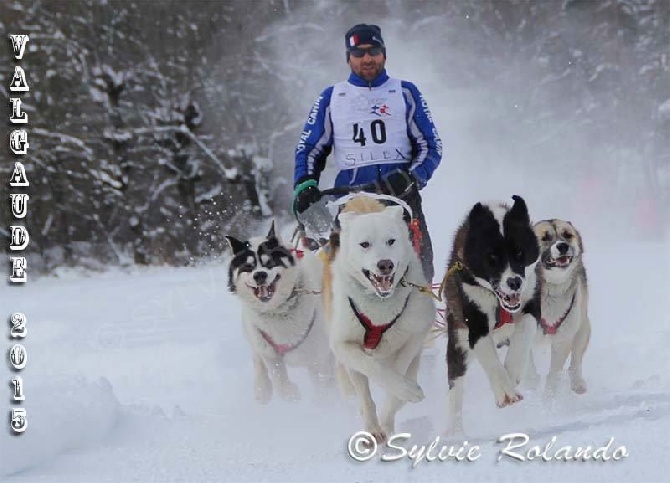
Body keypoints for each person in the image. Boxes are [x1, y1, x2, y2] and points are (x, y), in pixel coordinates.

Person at [292, 24, 443, 281]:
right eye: (358, 53)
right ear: (348, 57)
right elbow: (310, 148)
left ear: (384, 53)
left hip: (400, 198)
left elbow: (431, 146)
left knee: (418, 275)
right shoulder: (332, 97)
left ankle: (421, 318)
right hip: (351, 201)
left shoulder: (405, 92)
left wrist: (411, 178)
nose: (367, 58)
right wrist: (305, 185)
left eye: (373, 51)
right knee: (346, 279)